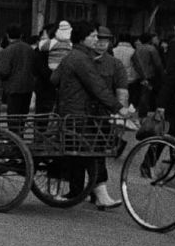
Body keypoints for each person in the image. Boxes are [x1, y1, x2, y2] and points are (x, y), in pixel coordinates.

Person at [53, 21, 123, 208]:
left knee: (80, 153)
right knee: (89, 152)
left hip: (73, 112)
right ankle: (94, 194)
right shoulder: (81, 59)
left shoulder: (73, 56)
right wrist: (118, 108)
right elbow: (97, 87)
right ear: (82, 38)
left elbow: (54, 78)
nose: (96, 39)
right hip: (79, 114)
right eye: (92, 36)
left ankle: (81, 193)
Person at [0, 24, 34, 116]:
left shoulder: (7, 50)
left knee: (13, 116)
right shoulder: (29, 49)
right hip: (28, 86)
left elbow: (4, 71)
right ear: (21, 35)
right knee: (23, 114)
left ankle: (15, 131)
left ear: (7, 35)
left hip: (13, 87)